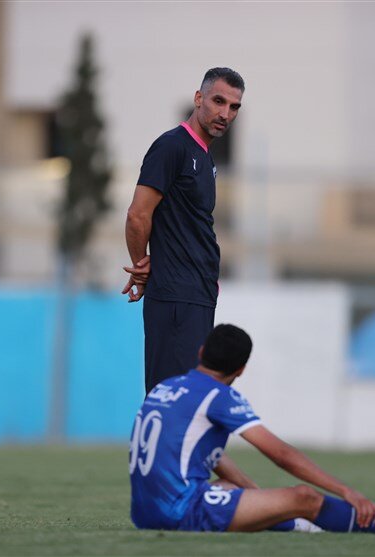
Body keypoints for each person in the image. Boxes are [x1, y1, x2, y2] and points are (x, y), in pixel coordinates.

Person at [128, 323, 375, 534]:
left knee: (232, 488)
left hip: (145, 512)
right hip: (180, 510)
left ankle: (294, 521)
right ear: (241, 370)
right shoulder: (219, 396)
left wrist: (256, 495)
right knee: (304, 497)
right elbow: (281, 454)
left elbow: (204, 455)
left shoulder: (166, 386)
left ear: (201, 352)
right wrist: (347, 491)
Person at [122, 68, 244, 393]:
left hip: (197, 295)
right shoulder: (172, 146)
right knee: (171, 397)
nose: (225, 113)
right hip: (176, 296)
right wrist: (141, 265)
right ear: (198, 98)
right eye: (218, 101)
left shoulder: (205, 157)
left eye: (234, 107)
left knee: (190, 398)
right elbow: (137, 215)